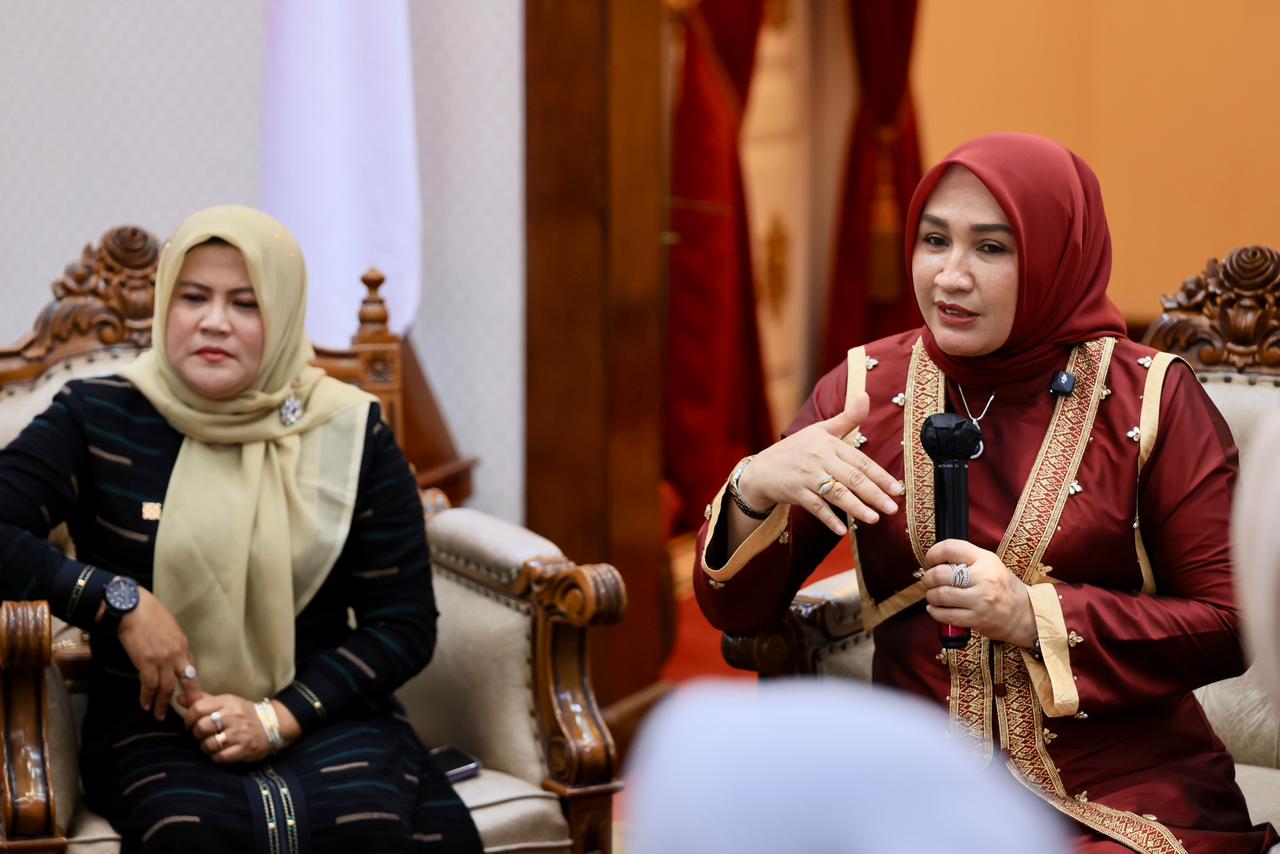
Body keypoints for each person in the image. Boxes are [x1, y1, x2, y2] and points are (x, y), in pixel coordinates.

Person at [694, 133, 1279, 852]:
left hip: (1120, 790)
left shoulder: (1149, 399)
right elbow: (737, 610)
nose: (950, 276)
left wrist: (1033, 616)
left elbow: (1231, 623)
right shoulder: (864, 391)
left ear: (1056, 256)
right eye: (934, 240)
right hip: (915, 788)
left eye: (992, 248)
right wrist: (754, 486)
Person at [0, 206, 482, 852]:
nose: (214, 321)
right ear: (166, 305)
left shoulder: (348, 432)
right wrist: (119, 602)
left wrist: (279, 717)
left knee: (366, 826)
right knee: (195, 835)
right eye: (194, 297)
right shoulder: (97, 417)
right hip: (154, 724)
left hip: (324, 712)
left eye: (246, 303)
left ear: (282, 316)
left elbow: (403, 622)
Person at [625, 679, 1071, 854]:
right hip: (894, 763)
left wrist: (1039, 616)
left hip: (1086, 789)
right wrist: (755, 505)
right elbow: (738, 610)